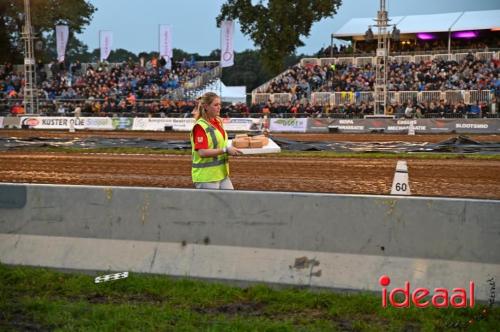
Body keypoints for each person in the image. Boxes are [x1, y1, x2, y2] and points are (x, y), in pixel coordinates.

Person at [190, 92, 242, 189]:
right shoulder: (200, 126)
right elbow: (202, 152)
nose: (219, 107)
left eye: (220, 104)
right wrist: (225, 150)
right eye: (215, 105)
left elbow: (220, 142)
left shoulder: (218, 121)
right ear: (206, 106)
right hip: (206, 177)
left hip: (222, 174)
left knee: (231, 202)